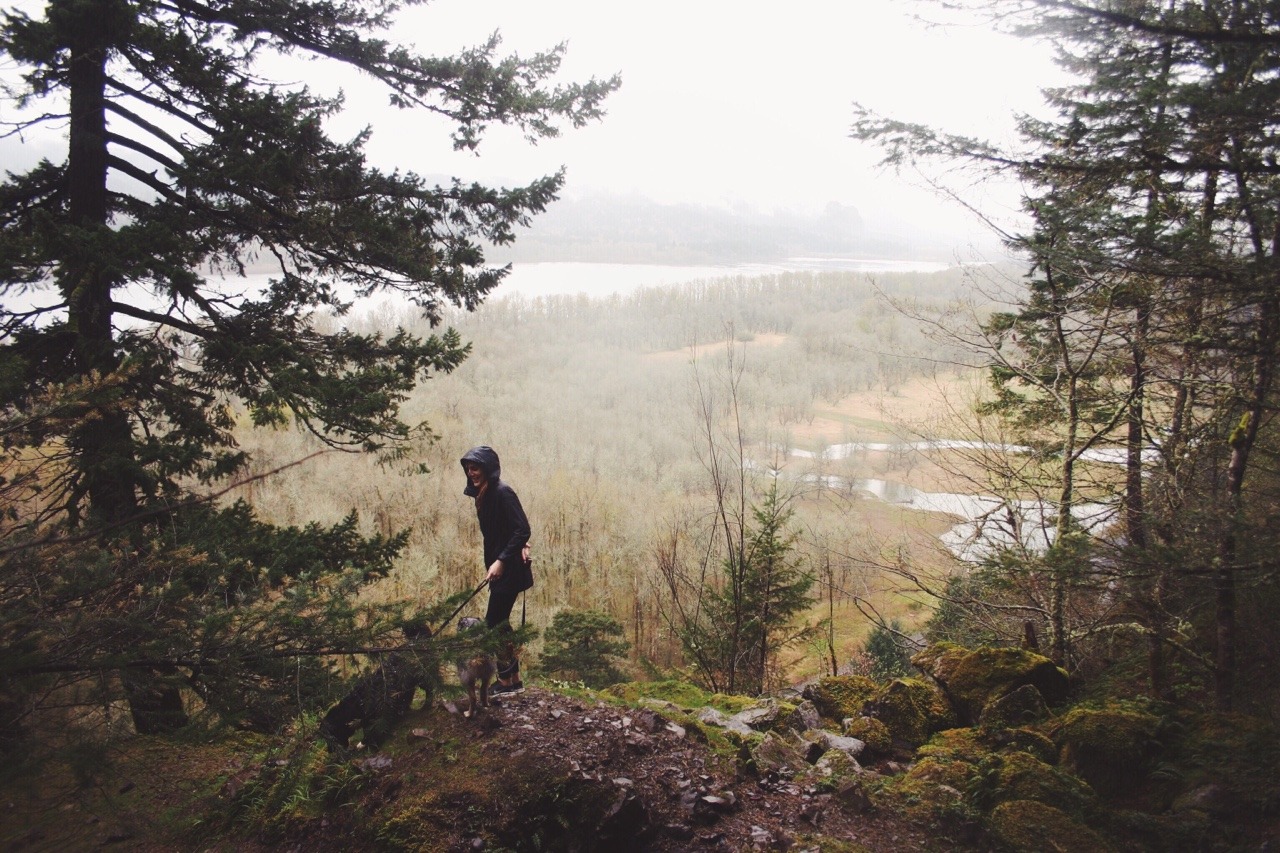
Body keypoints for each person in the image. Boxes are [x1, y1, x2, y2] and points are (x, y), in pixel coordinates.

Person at [460, 446, 532, 696]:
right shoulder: (484, 494)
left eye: (476, 467)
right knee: (500, 625)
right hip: (502, 567)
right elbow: (508, 530)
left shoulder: (503, 493)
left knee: (493, 624)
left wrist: (501, 560)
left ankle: (505, 682)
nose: (471, 472)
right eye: (468, 468)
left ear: (488, 468)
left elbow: (522, 528)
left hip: (509, 569)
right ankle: (513, 679)